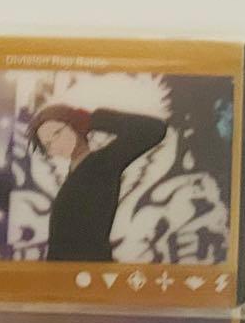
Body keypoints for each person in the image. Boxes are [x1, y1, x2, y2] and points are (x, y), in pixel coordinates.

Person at [28, 104, 167, 262]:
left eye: (57, 133)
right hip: (73, 270)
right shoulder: (75, 173)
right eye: (48, 144)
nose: (55, 144)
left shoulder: (103, 163)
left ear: (74, 124)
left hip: (89, 266)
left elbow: (153, 128)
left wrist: (93, 119)